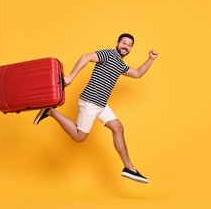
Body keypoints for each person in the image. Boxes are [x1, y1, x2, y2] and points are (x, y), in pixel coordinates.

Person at [33, 33, 158, 183]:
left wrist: (150, 59)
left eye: (129, 45)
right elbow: (86, 57)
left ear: (131, 49)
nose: (126, 46)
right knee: (79, 137)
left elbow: (137, 73)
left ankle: (129, 168)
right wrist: (71, 77)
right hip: (90, 101)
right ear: (117, 43)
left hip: (101, 104)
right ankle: (50, 111)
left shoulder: (120, 64)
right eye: (123, 43)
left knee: (118, 128)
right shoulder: (108, 54)